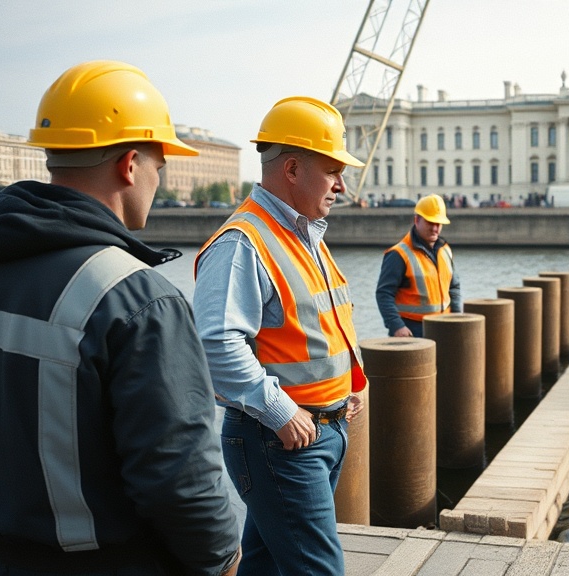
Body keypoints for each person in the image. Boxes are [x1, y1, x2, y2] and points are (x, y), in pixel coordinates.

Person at [0, 61, 241, 575]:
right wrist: (224, 559)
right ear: (131, 164)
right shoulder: (137, 299)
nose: (159, 177)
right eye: (161, 163)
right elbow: (179, 479)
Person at [193, 96, 368, 576]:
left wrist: (348, 384)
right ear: (292, 168)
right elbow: (215, 342)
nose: (341, 184)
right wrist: (281, 411)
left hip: (316, 432)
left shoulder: (303, 234)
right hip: (281, 440)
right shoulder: (243, 241)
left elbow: (319, 323)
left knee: (266, 564)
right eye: (333, 170)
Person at [376, 194, 462, 336]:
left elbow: (454, 287)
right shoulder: (398, 254)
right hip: (412, 331)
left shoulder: (445, 250)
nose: (435, 228)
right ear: (417, 220)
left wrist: (457, 315)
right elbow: (384, 294)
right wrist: (397, 326)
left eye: (438, 224)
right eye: (430, 222)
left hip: (445, 327)